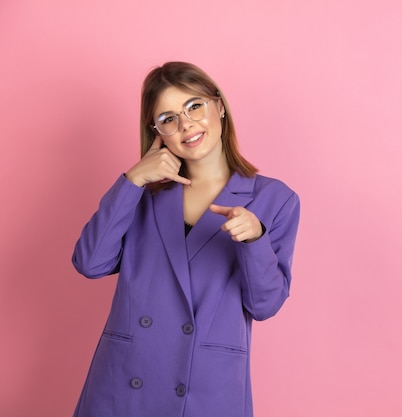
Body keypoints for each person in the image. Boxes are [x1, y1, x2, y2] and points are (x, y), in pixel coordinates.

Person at [71, 61, 300, 417]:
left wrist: (255, 240)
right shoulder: (143, 195)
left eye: (195, 106)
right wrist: (131, 181)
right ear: (158, 131)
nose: (186, 125)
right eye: (169, 118)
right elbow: (90, 262)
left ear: (219, 106)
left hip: (206, 389)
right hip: (126, 384)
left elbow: (265, 305)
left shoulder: (274, 199)